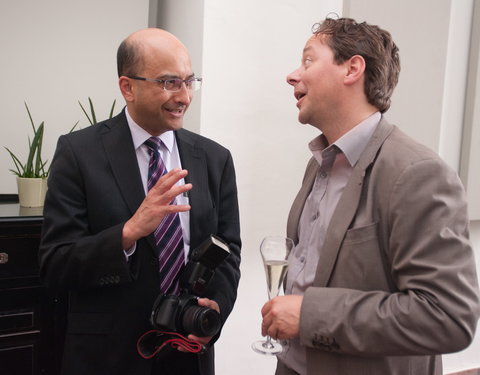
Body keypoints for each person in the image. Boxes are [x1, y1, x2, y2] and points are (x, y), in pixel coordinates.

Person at [260, 17, 480, 375]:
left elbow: (447, 316)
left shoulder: (417, 173)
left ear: (352, 69)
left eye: (308, 60)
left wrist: (310, 315)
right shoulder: (317, 165)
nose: (292, 75)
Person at [39, 28, 241, 375]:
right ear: (127, 87)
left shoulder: (214, 158)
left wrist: (214, 310)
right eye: (168, 83)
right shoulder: (78, 153)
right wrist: (128, 233)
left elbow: (228, 253)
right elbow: (56, 263)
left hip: (188, 353)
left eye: (189, 81)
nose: (184, 96)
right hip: (107, 357)